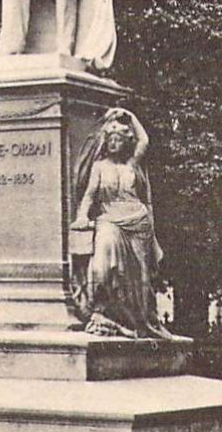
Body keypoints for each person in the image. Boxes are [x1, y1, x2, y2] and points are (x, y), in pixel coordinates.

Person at [70, 108, 178, 340]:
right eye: (111, 139)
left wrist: (129, 115)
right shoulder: (99, 166)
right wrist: (82, 216)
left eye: (118, 140)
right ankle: (103, 312)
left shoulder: (133, 164)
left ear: (125, 143)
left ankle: (139, 322)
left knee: (141, 279)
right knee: (101, 267)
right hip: (109, 221)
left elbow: (144, 140)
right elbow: (89, 194)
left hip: (138, 224)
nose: (114, 143)